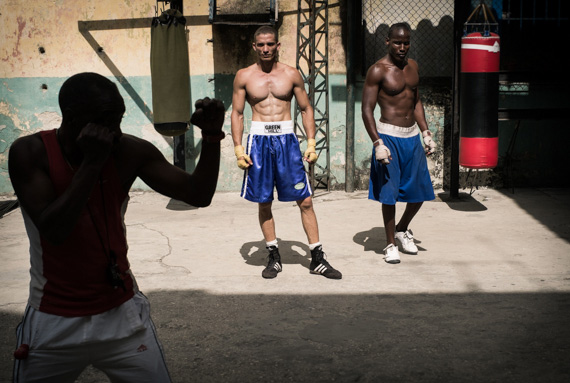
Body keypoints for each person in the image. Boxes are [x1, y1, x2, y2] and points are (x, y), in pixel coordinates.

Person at [8, 72, 226, 382]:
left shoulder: (128, 151)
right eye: (105, 121)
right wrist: (92, 163)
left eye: (119, 120)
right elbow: (55, 230)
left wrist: (213, 136)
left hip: (120, 313)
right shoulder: (30, 153)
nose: (116, 131)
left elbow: (198, 194)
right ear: (72, 118)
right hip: (52, 318)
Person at [231, 26, 341, 280]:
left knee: (305, 200)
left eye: (270, 44)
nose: (266, 49)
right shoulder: (244, 76)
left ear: (278, 45)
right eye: (261, 45)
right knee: (264, 200)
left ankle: (317, 258)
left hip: (287, 140)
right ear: (254, 46)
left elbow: (305, 108)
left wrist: (311, 143)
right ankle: (273, 256)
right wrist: (238, 148)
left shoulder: (291, 74)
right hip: (258, 141)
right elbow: (237, 113)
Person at [361, 23, 436, 264]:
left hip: (411, 136)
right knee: (389, 194)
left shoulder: (413, 67)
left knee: (420, 191)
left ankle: (402, 229)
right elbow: (366, 109)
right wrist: (377, 143)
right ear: (387, 41)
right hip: (388, 137)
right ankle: (390, 244)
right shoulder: (377, 70)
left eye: (406, 43)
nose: (402, 47)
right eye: (397, 42)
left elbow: (416, 101)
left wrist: (426, 132)